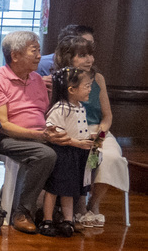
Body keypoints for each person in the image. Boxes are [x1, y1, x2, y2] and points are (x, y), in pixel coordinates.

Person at [0, 30, 65, 234]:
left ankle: (58, 212)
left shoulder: (36, 79)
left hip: (38, 135)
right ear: (15, 55)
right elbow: (3, 124)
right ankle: (21, 212)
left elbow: (44, 113)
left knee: (69, 150)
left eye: (38, 50)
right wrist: (40, 135)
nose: (39, 55)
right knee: (45, 154)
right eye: (34, 50)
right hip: (6, 138)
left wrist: (53, 131)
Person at [55, 33, 129, 226]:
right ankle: (78, 204)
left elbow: (107, 116)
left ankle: (93, 204)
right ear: (69, 58)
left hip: (98, 130)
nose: (90, 59)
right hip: (73, 130)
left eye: (90, 54)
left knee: (110, 158)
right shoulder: (59, 79)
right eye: (82, 55)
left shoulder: (98, 79)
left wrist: (101, 134)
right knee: (81, 157)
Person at [39, 66, 95, 237]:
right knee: (54, 188)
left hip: (77, 155)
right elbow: (55, 133)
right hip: (62, 153)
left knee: (69, 189)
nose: (90, 90)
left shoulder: (80, 107)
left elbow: (78, 128)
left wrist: (89, 137)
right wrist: (77, 142)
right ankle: (47, 219)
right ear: (71, 89)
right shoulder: (61, 108)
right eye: (87, 86)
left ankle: (67, 220)